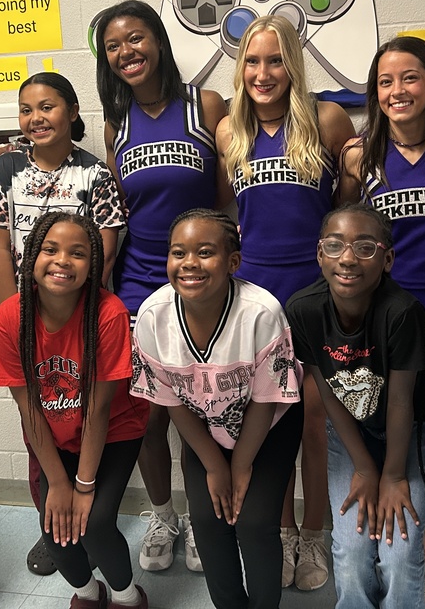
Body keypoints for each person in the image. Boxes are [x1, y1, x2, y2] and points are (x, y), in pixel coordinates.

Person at [337, 36, 425, 608]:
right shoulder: (359, 154)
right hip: (379, 317)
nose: (398, 91)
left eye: (410, 78)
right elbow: (346, 232)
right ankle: (380, 550)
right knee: (376, 438)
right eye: (386, 82)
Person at [217, 14, 354, 590]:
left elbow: (346, 212)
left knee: (315, 422)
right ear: (240, 68)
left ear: (292, 64)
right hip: (254, 297)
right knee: (266, 420)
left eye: (275, 60)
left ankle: (313, 536)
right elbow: (229, 216)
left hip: (315, 294)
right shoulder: (229, 132)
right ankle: (279, 528)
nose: (263, 72)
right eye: (252, 61)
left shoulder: (326, 120)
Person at [96, 0, 227, 572]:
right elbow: (116, 212)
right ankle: (162, 515)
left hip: (201, 281)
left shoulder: (207, 105)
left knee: (208, 406)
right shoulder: (115, 122)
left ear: (160, 41)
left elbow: (227, 200)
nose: (128, 52)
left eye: (136, 38)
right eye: (114, 46)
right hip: (137, 286)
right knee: (147, 412)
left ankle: (205, 518)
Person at [0, 71, 126, 575]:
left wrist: (70, 311)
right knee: (36, 425)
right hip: (30, 319)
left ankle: (89, 511)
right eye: (25, 109)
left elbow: (104, 251)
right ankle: (53, 525)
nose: (35, 118)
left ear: (71, 112)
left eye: (46, 107)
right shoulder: (6, 170)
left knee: (83, 414)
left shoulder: (95, 175)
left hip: (80, 319)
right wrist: (20, 319)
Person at [131, 208, 303, 608]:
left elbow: (265, 400)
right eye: (178, 252)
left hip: (267, 429)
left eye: (205, 252)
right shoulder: (153, 318)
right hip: (203, 430)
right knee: (207, 522)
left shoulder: (261, 312)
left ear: (233, 262)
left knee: (256, 523)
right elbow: (173, 402)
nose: (189, 263)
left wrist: (239, 466)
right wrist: (214, 465)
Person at [0, 212, 150, 608]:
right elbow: (29, 410)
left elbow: (98, 410)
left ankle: (128, 597)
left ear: (93, 266)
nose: (62, 260)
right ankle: (88, 594)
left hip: (112, 431)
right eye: (50, 249)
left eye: (78, 253)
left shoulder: (108, 314)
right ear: (30, 257)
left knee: (93, 523)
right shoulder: (8, 318)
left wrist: (84, 485)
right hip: (53, 435)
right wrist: (58, 483)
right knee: (54, 525)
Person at [286, 203, 425, 608]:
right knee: (353, 549)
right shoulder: (303, 310)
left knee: (399, 548)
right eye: (335, 245)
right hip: (351, 435)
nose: (348, 258)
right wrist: (362, 466)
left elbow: (400, 403)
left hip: (408, 433)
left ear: (387, 259)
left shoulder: (402, 312)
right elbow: (325, 389)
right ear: (320, 254)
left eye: (365, 247)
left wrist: (391, 477)